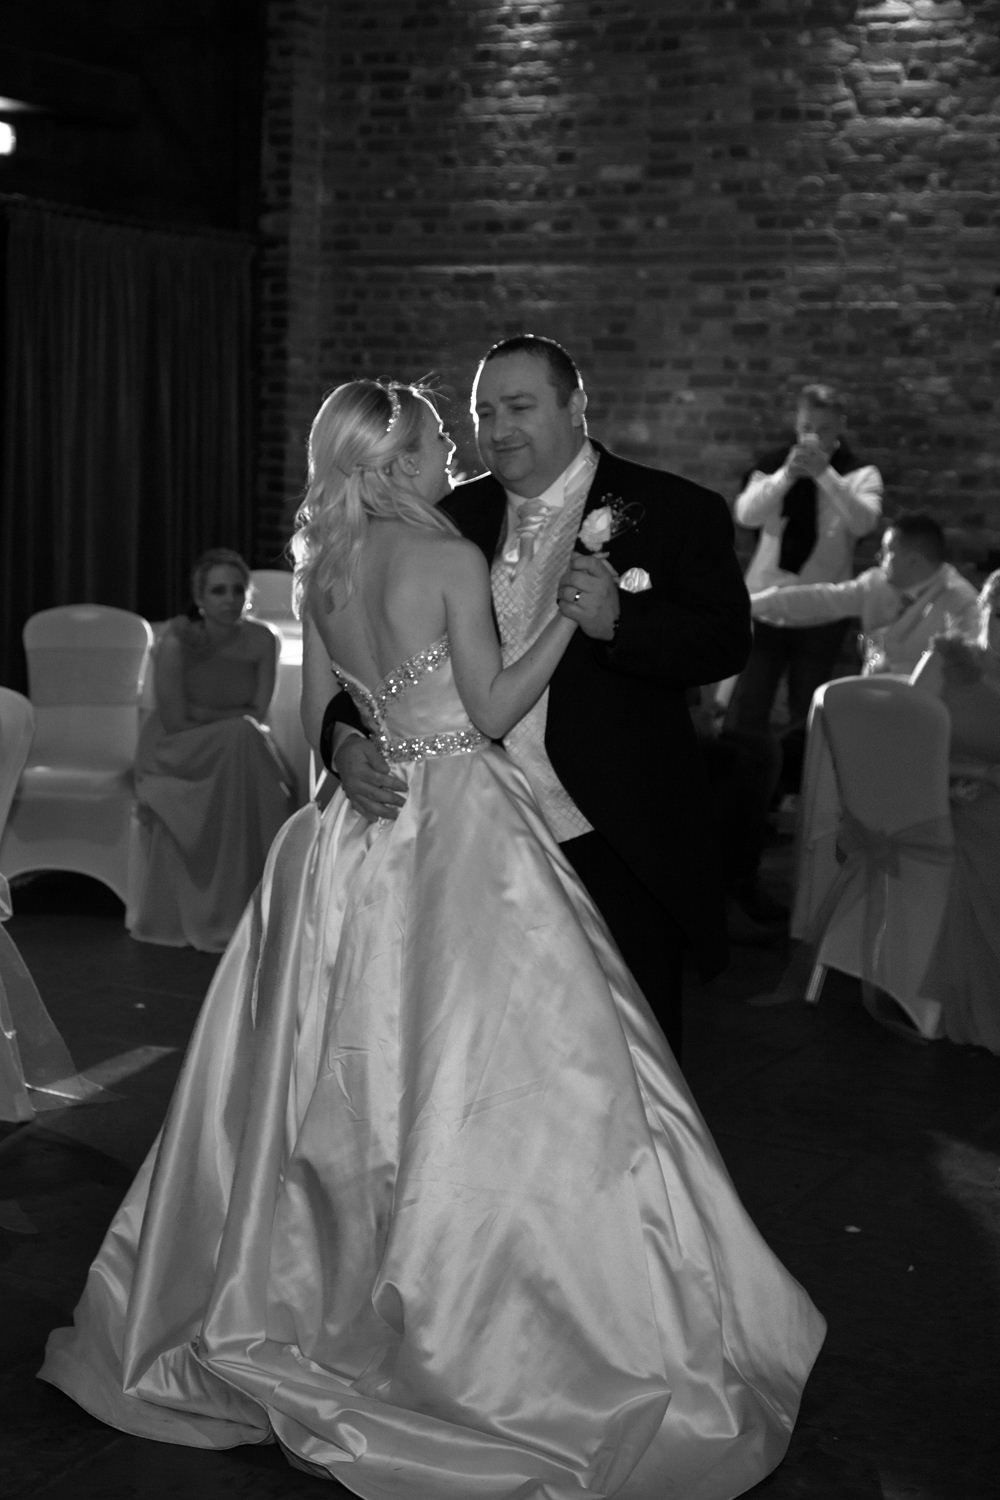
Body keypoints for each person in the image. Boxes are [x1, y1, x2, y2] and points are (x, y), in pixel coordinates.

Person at [41, 379, 825, 1500]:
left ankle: (324, 1295)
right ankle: (489, 1323)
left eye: (486, 419)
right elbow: (492, 709)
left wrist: (362, 746)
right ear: (393, 459)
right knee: (510, 1084)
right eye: (440, 434)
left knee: (335, 1087)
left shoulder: (322, 573)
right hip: (460, 831)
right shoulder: (448, 553)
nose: (461, 445)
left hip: (345, 854)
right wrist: (564, 609)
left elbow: (354, 697)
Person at [320, 335, 752, 1056]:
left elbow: (723, 643)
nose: (497, 429)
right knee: (486, 1055)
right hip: (465, 840)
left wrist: (623, 622)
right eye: (483, 411)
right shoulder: (446, 515)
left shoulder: (675, 509)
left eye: (519, 406)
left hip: (612, 831)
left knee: (626, 1058)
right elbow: (365, 660)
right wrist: (342, 738)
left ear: (576, 405)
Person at [127, 548, 295, 953]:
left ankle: (264, 903)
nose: (230, 599)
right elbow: (176, 720)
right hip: (177, 750)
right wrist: (229, 717)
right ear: (200, 598)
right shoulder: (177, 642)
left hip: (233, 748)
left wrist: (216, 714)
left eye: (238, 590)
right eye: (218, 591)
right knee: (243, 737)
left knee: (244, 737)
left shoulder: (262, 639)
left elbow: (259, 711)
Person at [724, 383, 882, 761]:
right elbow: (746, 514)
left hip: (820, 613)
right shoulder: (774, 463)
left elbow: (863, 523)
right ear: (797, 423)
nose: (814, 436)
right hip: (764, 606)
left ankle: (796, 794)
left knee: (807, 714)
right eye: (807, 426)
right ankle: (740, 796)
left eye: (825, 428)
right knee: (748, 708)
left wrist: (825, 476)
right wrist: (786, 477)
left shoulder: (860, 474)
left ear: (840, 426)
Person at [910, 570, 1000, 1053]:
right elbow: (909, 744)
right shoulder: (945, 659)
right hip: (943, 802)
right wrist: (956, 776)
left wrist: (980, 776)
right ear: (983, 609)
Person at [750, 512, 980, 679]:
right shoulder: (877, 583)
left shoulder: (960, 601)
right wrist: (754, 604)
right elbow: (822, 599)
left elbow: (966, 669)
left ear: (913, 560)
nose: (879, 557)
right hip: (871, 697)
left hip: (922, 711)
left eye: (888, 551)